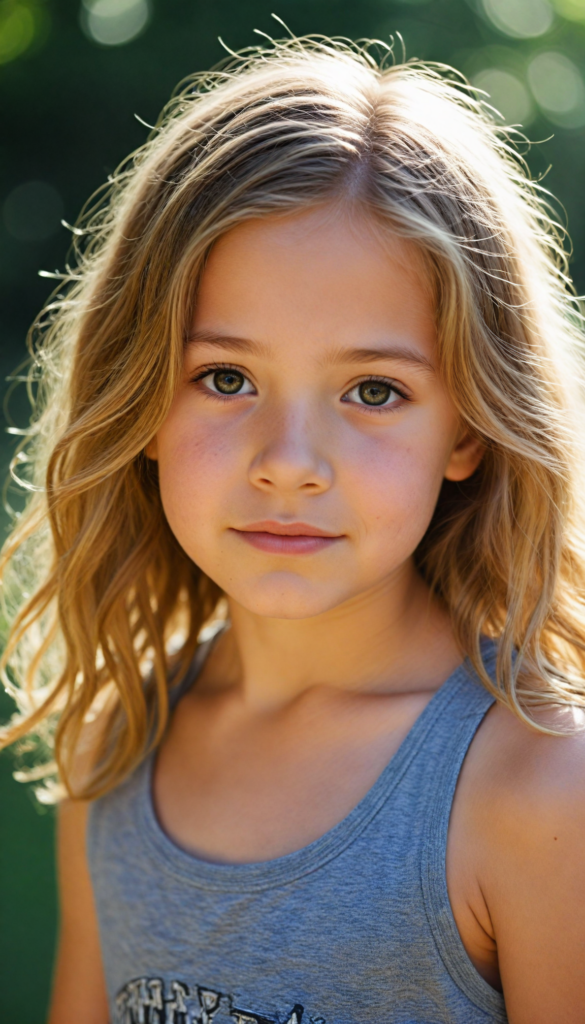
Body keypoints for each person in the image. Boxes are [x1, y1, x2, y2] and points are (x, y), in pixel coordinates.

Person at [2, 33, 585, 1024]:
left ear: (470, 429)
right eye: (225, 378)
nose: (290, 459)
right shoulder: (119, 746)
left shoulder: (539, 787)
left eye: (373, 389)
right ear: (140, 400)